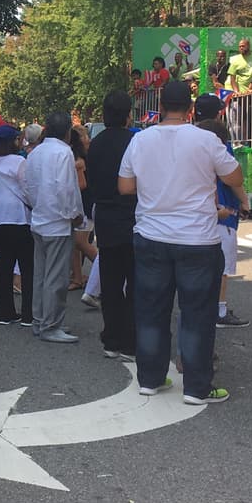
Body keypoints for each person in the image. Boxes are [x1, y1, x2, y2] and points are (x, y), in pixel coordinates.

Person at [119, 81, 243, 405]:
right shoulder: (205, 139)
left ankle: (150, 378)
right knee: (197, 314)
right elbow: (234, 176)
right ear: (190, 109)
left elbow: (125, 186)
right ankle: (196, 387)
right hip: (198, 239)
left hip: (151, 235)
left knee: (151, 310)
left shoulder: (140, 140)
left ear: (160, 106)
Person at [24, 112, 83, 344]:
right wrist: (74, 215)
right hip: (58, 223)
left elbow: (27, 186)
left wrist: (38, 206)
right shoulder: (63, 152)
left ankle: (40, 320)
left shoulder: (35, 152)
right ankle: (51, 325)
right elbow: (66, 189)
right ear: (68, 130)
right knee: (56, 278)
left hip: (39, 219)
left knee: (40, 275)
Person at [88, 91, 137, 360]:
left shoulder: (95, 144)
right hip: (132, 217)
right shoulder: (134, 142)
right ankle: (130, 341)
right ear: (128, 114)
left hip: (105, 218)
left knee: (110, 282)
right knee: (135, 282)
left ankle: (111, 337)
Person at [194, 95, 249, 329]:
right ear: (218, 114)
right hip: (222, 210)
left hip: (196, 212)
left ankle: (202, 308)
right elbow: (233, 179)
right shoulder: (219, 141)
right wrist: (245, 202)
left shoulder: (190, 138)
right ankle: (220, 311)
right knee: (223, 267)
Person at [0, 125, 33, 327]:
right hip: (18, 219)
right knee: (28, 267)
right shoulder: (20, 162)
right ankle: (28, 315)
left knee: (3, 267)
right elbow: (27, 189)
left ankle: (5, 313)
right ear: (12, 141)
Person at [68, 125, 96, 291]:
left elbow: (82, 184)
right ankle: (77, 277)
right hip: (83, 204)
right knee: (75, 243)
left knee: (80, 242)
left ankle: (103, 269)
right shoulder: (85, 156)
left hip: (85, 205)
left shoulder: (78, 161)